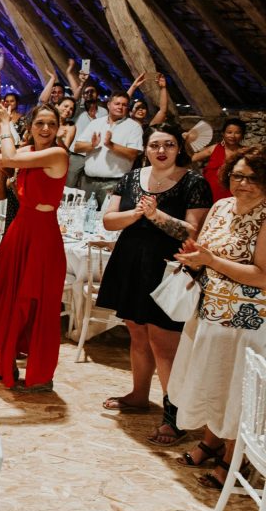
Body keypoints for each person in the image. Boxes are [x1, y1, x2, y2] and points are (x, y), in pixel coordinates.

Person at [97, 123, 212, 445]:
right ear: (146, 148)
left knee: (164, 344)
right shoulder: (132, 178)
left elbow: (193, 232)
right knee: (136, 331)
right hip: (132, 261)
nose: (162, 150)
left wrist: (156, 215)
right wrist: (137, 214)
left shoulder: (194, 182)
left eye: (169, 145)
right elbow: (109, 220)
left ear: (179, 149)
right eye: (155, 145)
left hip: (167, 269)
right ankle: (138, 394)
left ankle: (174, 416)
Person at [169, 146, 266, 489]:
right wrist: (194, 260)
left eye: (253, 178)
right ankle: (211, 442)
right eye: (237, 175)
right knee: (213, 379)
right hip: (210, 310)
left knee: (235, 386)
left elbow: (262, 274)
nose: (243, 183)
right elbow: (206, 249)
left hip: (248, 320)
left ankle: (233, 456)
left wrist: (210, 261)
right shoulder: (221, 206)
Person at [0, 104, 68, 390]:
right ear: (31, 126)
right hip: (19, 230)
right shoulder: (27, 153)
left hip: (43, 236)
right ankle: (3, 363)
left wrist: (7, 124)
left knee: (37, 304)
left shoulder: (57, 154)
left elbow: (8, 157)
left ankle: (41, 375)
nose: (45, 129)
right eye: (40, 123)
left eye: (51, 124)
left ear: (58, 128)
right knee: (6, 297)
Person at [73, 91, 144, 205]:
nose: (120, 107)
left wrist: (111, 145)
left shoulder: (134, 127)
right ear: (109, 105)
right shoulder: (95, 123)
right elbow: (77, 147)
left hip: (114, 184)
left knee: (107, 219)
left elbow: (133, 154)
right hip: (88, 182)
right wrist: (92, 145)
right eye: (117, 103)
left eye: (124, 105)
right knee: (82, 217)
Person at [192, 118, 246, 203]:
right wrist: (186, 142)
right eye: (229, 132)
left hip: (234, 195)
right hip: (209, 194)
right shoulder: (214, 148)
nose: (233, 136)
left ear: (242, 135)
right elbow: (192, 158)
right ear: (223, 134)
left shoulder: (245, 152)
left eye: (237, 133)